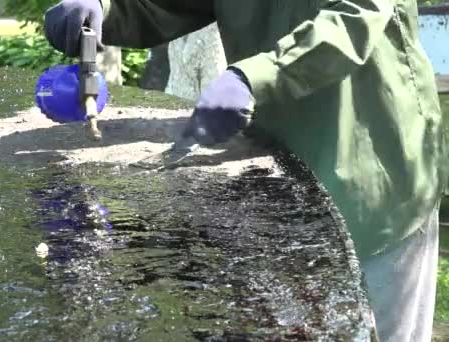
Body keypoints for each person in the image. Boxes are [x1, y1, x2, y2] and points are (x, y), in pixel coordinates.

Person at [43, 1, 448, 340]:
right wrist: (103, 9)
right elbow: (169, 5)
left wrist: (254, 78)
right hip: (279, 170)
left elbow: (355, 16)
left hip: (375, 170)